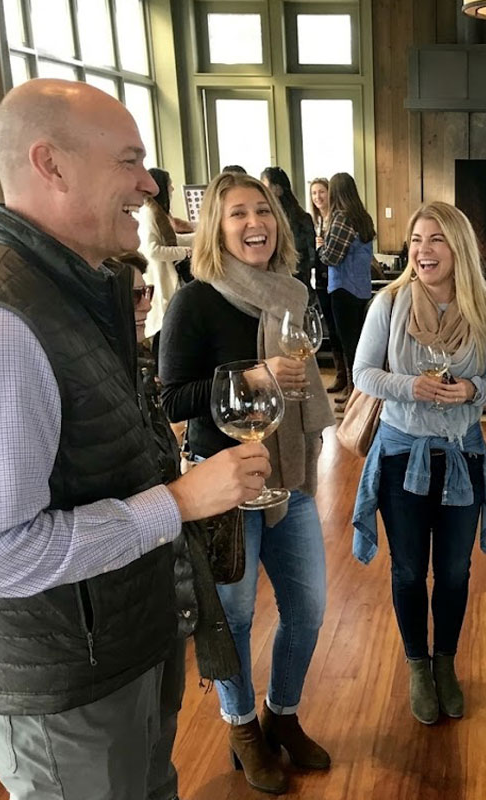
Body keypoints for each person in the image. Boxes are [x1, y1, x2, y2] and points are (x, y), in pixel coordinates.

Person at [0, 78, 269, 800]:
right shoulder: (3, 322)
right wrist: (178, 500)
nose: (149, 184)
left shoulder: (79, 293)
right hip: (66, 690)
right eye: (130, 162)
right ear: (51, 164)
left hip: (124, 650)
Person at [158, 171, 336, 795]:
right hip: (224, 485)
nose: (253, 222)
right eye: (237, 213)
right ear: (217, 227)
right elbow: (172, 397)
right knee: (232, 615)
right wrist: (254, 376)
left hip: (290, 476)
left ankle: (280, 716)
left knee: (308, 608)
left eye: (262, 210)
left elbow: (308, 373)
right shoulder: (195, 300)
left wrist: (283, 379)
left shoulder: (292, 293)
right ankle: (241, 728)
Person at [351, 201, 486, 725]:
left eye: (436, 239)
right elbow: (363, 374)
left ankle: (446, 664)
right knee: (408, 568)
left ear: (458, 247)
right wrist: (410, 385)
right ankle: (417, 665)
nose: (422, 250)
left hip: (463, 456)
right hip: (402, 456)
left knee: (456, 571)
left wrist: (471, 390)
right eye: (417, 240)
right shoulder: (389, 305)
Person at [115, 251, 240, 800]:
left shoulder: (137, 366)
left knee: (158, 764)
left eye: (146, 294)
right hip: (107, 613)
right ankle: (245, 727)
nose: (144, 305)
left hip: (160, 589)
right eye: (131, 295)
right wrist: (183, 500)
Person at [316, 172, 376, 409]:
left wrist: (320, 247)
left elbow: (332, 256)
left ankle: (355, 397)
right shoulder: (363, 218)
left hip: (343, 288)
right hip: (361, 288)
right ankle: (356, 392)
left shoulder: (342, 218)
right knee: (358, 343)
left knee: (349, 344)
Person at [138, 167, 194, 339]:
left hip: (169, 276)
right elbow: (153, 250)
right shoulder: (149, 213)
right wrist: (185, 252)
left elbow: (173, 239)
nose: (173, 189)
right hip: (161, 277)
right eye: (170, 184)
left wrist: (202, 237)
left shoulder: (158, 212)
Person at [311, 177, 346, 394]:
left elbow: (333, 254)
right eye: (314, 193)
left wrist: (323, 247)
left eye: (321, 192)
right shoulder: (315, 221)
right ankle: (339, 375)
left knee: (341, 331)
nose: (318, 197)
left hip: (336, 280)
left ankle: (346, 379)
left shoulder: (337, 219)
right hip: (321, 281)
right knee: (332, 332)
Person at [261, 166, 318, 297]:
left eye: (265, 186)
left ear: (278, 189)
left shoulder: (299, 219)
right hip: (277, 285)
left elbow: (309, 258)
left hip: (293, 285)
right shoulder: (267, 218)